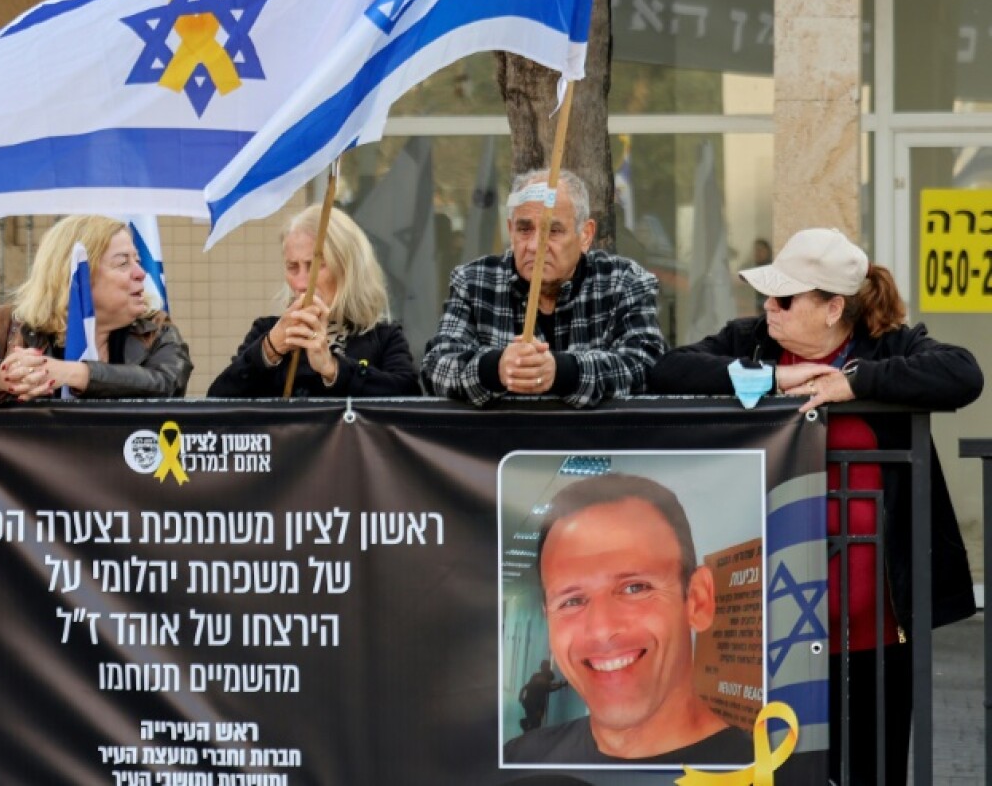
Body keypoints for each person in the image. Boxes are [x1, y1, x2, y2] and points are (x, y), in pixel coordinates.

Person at [647, 227, 983, 786]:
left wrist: (857, 383)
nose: (768, 307)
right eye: (768, 295)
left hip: (876, 633)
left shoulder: (886, 346)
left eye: (784, 298)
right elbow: (668, 370)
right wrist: (773, 377)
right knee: (778, 770)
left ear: (833, 309)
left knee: (872, 768)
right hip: (767, 632)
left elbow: (963, 374)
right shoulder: (753, 343)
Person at [505, 473, 750, 765]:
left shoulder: (771, 773)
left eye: (636, 588)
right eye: (572, 601)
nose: (601, 629)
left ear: (698, 600)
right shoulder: (521, 761)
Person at [421, 169, 666, 408]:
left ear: (585, 235)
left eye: (554, 231)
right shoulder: (473, 282)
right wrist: (495, 368)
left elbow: (646, 366)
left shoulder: (624, 282)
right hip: (502, 435)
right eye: (524, 229)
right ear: (510, 231)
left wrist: (563, 372)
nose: (535, 245)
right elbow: (435, 368)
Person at [0, 214, 192, 402]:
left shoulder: (156, 329)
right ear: (75, 275)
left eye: (137, 261)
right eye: (123, 263)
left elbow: (168, 384)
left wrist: (71, 373)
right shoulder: (10, 324)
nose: (141, 274)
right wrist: (0, 377)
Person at [207, 205, 419, 398]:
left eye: (315, 266)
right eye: (292, 267)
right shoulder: (267, 331)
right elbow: (218, 399)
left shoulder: (383, 337)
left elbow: (408, 399)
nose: (301, 283)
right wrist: (270, 350)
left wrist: (333, 368)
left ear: (347, 269)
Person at [517, 660, 568, 732]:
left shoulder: (537, 676)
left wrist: (521, 696)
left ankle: (526, 725)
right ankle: (526, 726)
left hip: (529, 702)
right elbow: (548, 688)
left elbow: (527, 686)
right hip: (535, 704)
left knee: (533, 721)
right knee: (535, 723)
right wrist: (561, 685)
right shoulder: (543, 677)